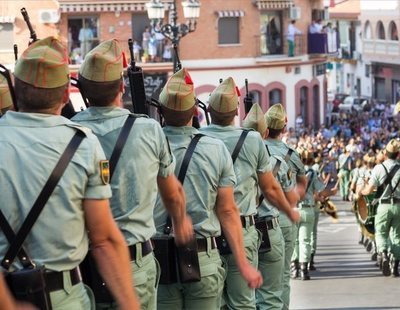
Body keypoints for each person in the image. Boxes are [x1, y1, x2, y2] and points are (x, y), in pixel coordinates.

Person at [0, 36, 139, 309]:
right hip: (64, 297)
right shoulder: (83, 144)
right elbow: (104, 241)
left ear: (15, 88)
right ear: (65, 96)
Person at [72, 39, 193, 309]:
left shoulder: (68, 131)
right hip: (133, 264)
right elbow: (172, 193)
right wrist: (180, 219)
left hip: (82, 271)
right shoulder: (149, 130)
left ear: (84, 91)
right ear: (122, 87)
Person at [154, 68, 263, 309]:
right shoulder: (215, 149)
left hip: (158, 257)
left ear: (160, 111)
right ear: (195, 112)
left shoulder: (145, 144)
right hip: (203, 256)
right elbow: (227, 211)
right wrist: (243, 263)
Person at [200, 89, 299, 309]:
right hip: (245, 229)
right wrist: (290, 210)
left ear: (208, 110)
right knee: (248, 301)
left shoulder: (198, 137)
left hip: (208, 231)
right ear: (236, 111)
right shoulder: (254, 141)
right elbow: (272, 189)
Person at [243, 104, 300, 310]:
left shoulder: (227, 154)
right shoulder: (279, 160)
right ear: (265, 131)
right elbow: (290, 196)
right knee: (273, 289)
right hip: (268, 226)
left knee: (240, 297)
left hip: (239, 229)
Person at [264, 103, 307, 310]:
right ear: (283, 128)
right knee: (282, 275)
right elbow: (303, 184)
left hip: (259, 216)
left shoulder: (256, 148)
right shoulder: (292, 154)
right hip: (284, 217)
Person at [291, 149, 337, 280]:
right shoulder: (313, 173)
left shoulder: (291, 171)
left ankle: (294, 268)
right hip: (307, 209)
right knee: (305, 240)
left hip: (293, 209)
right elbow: (322, 191)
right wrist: (332, 192)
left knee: (294, 240)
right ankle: (304, 270)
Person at [359, 139, 400, 277]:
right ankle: (395, 266)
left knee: (381, 232)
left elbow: (369, 190)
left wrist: (362, 191)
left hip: (383, 205)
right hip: (399, 206)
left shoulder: (378, 168)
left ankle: (383, 254)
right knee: (397, 236)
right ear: (398, 154)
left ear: (386, 154)